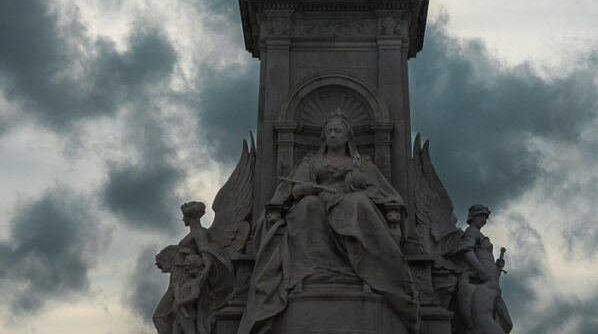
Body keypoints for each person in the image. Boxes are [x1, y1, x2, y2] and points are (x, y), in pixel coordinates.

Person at [238, 113, 420, 334]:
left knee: (359, 204)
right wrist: (303, 190)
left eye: (338, 131)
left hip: (349, 202)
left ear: (348, 136)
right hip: (318, 201)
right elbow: (290, 190)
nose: (333, 134)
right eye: (329, 131)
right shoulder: (310, 162)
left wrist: (360, 188)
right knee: (308, 206)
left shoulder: (362, 164)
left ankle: (367, 270)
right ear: (324, 136)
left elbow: (383, 192)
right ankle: (309, 272)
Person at [154, 202, 234, 334]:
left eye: (184, 216)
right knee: (171, 318)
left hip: (184, 278)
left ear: (190, 216)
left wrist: (206, 268)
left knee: (160, 316)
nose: (182, 219)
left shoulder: (198, 232)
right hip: (179, 277)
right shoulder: (195, 233)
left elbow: (206, 251)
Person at [454, 205, 513, 334]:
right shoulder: (472, 231)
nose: (484, 220)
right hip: (483, 284)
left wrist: (496, 268)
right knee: (497, 322)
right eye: (481, 216)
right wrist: (480, 270)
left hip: (489, 283)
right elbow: (466, 250)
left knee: (504, 323)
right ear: (473, 216)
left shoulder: (477, 233)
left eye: (485, 217)